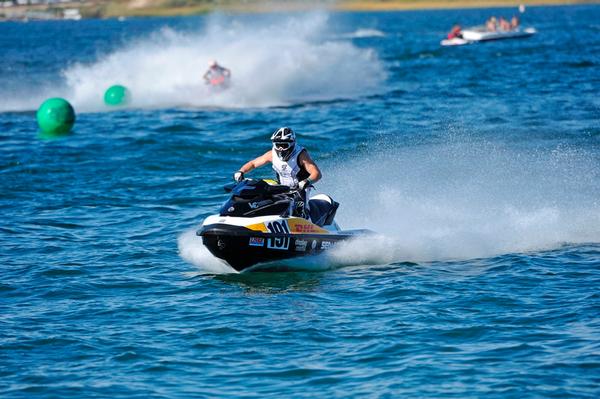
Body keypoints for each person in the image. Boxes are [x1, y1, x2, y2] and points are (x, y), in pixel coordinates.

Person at [233, 127, 322, 218]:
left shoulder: (301, 155)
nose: (280, 149)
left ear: (292, 144)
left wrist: (306, 182)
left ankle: (306, 222)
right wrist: (241, 171)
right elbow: (253, 164)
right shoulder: (271, 154)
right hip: (282, 188)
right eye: (277, 145)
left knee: (299, 209)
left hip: (300, 189)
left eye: (284, 145)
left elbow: (317, 173)